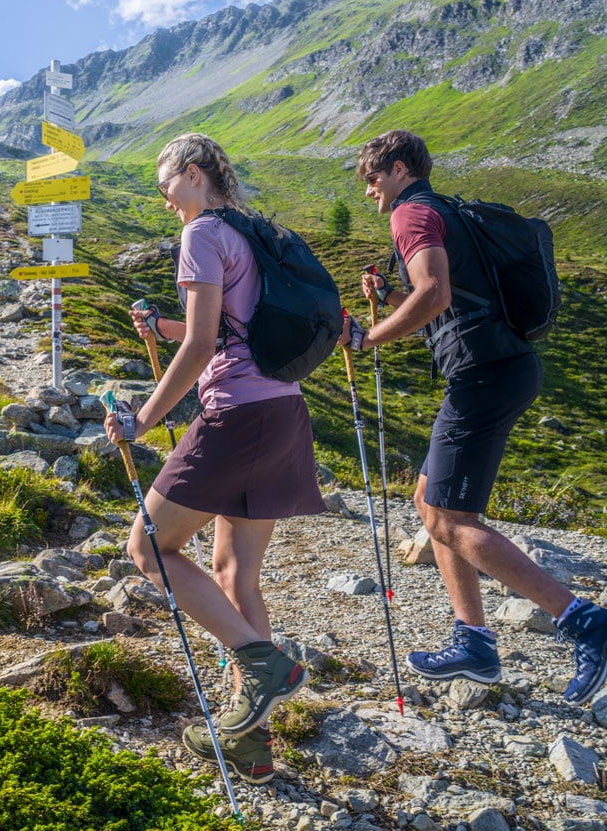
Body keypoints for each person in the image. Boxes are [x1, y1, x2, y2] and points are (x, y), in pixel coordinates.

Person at [341, 128, 607, 705]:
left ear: (400, 168)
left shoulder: (410, 214)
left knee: (449, 518)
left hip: (485, 374)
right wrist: (389, 299)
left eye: (372, 177)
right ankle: (475, 642)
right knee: (428, 503)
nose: (369, 192)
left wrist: (366, 339)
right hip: (500, 365)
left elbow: (433, 294)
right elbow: (452, 300)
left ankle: (585, 621)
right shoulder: (444, 211)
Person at [103, 132, 326, 783]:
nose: (163, 198)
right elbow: (236, 324)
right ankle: (249, 741)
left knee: (147, 549)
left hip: (237, 418)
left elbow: (203, 346)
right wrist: (163, 331)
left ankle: (264, 662)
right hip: (285, 413)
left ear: (195, 174)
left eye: (165, 182)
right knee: (235, 576)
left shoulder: (201, 232)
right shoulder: (255, 229)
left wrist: (143, 419)